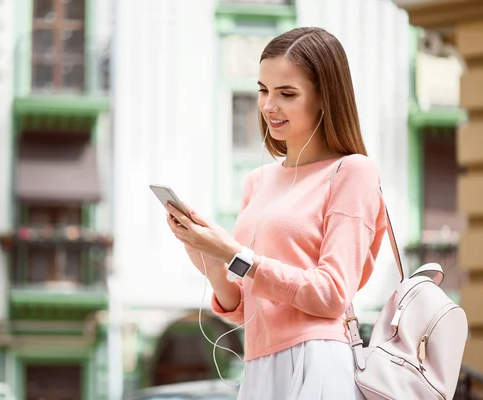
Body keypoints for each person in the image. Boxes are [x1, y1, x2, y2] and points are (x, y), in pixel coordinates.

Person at [165, 27, 387, 400]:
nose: (269, 106)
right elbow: (246, 307)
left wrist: (232, 254)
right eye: (263, 90)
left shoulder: (352, 172)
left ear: (324, 98)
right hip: (258, 364)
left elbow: (332, 294)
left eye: (287, 93)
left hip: (314, 359)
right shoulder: (258, 180)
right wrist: (211, 261)